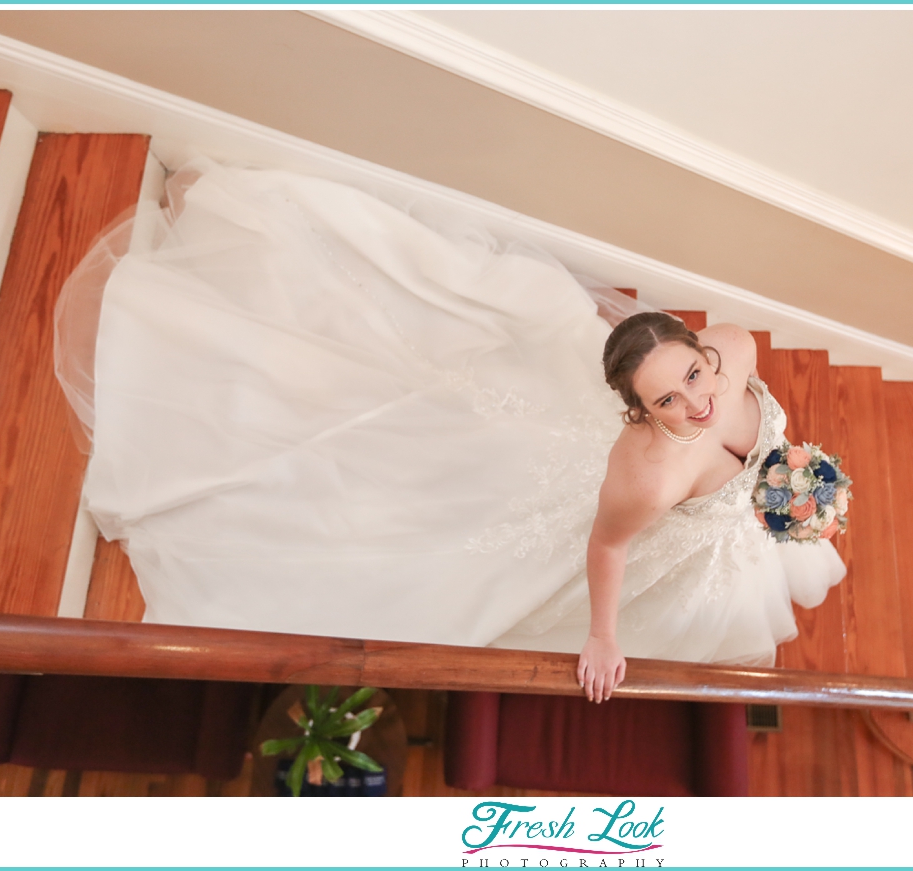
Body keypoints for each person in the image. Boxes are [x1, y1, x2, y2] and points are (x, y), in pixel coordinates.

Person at [56, 158, 846, 703]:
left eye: (695, 375)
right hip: (653, 529)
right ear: (641, 414)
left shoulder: (735, 349)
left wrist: (787, 471)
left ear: (703, 349)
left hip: (746, 498)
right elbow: (607, 548)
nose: (698, 403)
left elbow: (749, 426)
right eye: (669, 401)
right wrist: (604, 638)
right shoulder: (649, 476)